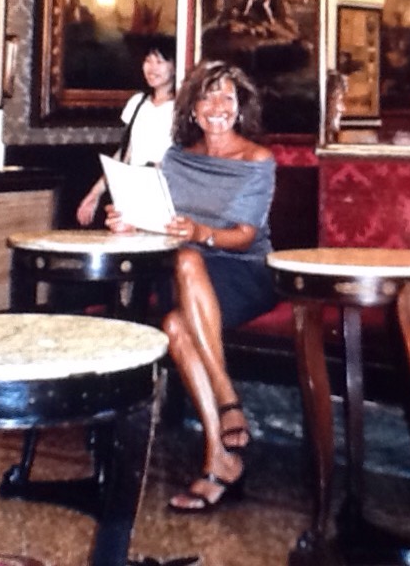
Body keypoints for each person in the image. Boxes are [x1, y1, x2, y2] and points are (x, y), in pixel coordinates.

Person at [106, 59, 278, 512]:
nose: (217, 105)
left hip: (243, 270)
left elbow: (245, 235)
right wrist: (129, 222)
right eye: (207, 96)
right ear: (193, 109)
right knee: (174, 321)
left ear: (240, 107)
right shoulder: (177, 158)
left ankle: (224, 404)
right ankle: (220, 453)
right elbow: (161, 218)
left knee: (185, 263)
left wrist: (201, 232)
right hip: (189, 275)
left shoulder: (257, 160)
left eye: (227, 96)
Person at [76, 34, 177, 227]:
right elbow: (125, 154)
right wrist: (95, 192)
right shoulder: (137, 102)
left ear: (174, 66)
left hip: (165, 192)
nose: (152, 68)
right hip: (133, 191)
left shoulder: (182, 108)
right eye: (148, 60)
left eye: (159, 62)